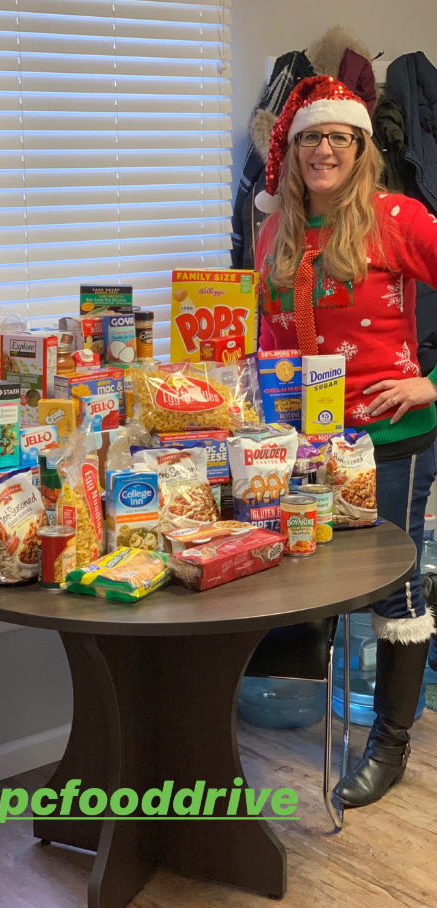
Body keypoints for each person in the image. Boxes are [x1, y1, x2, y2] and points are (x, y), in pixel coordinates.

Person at [254, 76, 437, 809]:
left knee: (392, 587)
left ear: (361, 148)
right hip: (306, 447)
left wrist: (432, 382)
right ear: (292, 149)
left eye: (338, 137)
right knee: (313, 577)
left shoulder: (397, 218)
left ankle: (388, 744)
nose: (323, 149)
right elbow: (269, 339)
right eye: (310, 137)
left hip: (391, 435)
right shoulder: (275, 232)